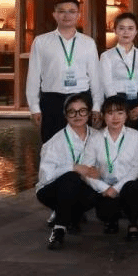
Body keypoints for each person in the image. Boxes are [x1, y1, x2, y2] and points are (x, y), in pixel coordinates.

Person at [26, 0, 103, 141]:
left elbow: (95, 77)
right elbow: (33, 76)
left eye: (72, 11)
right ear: (54, 14)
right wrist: (34, 107)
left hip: (81, 99)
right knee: (51, 142)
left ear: (78, 15)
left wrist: (97, 106)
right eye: (62, 11)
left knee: (82, 143)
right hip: (52, 100)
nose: (67, 15)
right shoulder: (41, 41)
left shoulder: (88, 43)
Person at [36, 93, 100, 250]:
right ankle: (59, 229)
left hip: (84, 188)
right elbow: (46, 177)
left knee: (100, 193)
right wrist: (73, 167)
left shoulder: (99, 137)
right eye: (72, 112)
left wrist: (98, 172)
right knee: (71, 178)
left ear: (89, 113)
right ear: (65, 115)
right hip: (52, 191)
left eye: (82, 111)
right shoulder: (55, 141)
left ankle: (72, 216)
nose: (77, 115)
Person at [82, 95, 138, 241]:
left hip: (126, 184)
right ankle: (111, 220)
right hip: (104, 187)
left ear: (126, 115)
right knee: (105, 212)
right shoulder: (95, 138)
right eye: (110, 113)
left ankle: (133, 223)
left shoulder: (136, 136)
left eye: (120, 113)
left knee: (135, 188)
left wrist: (116, 188)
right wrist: (104, 188)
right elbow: (87, 169)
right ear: (103, 116)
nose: (115, 117)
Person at [98, 12, 138, 131]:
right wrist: (119, 109)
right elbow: (107, 84)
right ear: (115, 31)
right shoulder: (107, 56)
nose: (126, 32)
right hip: (115, 103)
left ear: (136, 31)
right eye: (121, 28)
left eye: (130, 28)